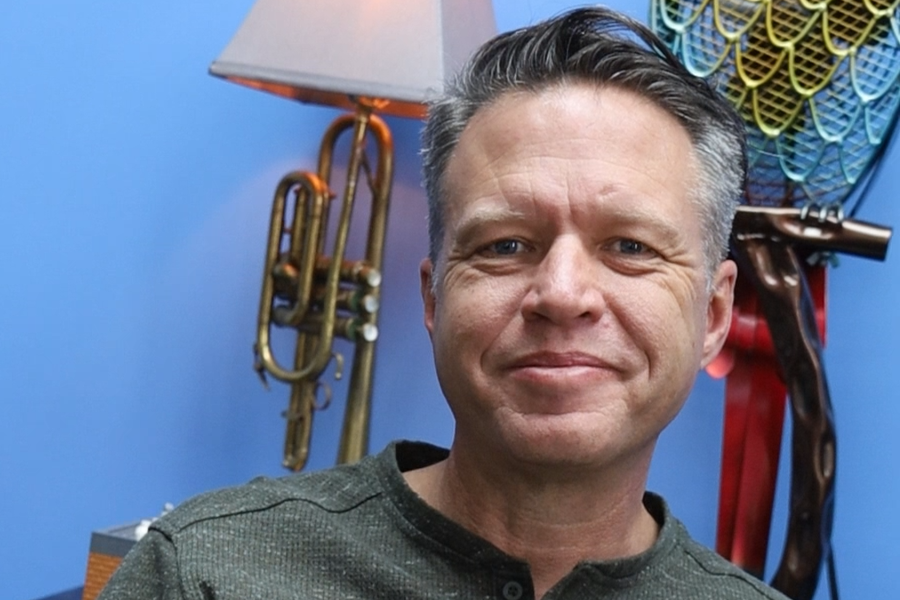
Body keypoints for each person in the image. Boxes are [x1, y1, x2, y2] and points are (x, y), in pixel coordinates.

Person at [99, 6, 789, 600]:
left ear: (714, 316)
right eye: (506, 245)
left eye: (631, 247)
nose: (562, 294)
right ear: (434, 298)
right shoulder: (205, 574)